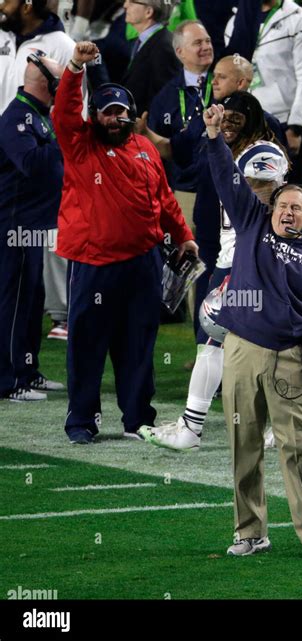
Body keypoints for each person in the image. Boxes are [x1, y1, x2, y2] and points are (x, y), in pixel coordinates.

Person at [201, 102, 302, 559]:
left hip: (291, 360)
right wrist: (214, 137)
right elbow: (227, 178)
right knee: (243, 446)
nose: (286, 213)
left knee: (297, 449)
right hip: (240, 350)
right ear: (271, 207)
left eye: (296, 209)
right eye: (282, 205)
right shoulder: (251, 221)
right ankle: (250, 532)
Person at [52, 41, 197, 444]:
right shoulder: (81, 145)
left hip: (143, 263)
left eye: (121, 112)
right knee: (87, 345)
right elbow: (64, 110)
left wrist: (183, 235)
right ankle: (81, 420)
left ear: (131, 115)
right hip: (94, 264)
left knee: (138, 343)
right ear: (94, 117)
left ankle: (136, 418)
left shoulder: (146, 148)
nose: (115, 119)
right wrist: (76, 69)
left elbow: (165, 199)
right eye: (107, 112)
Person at [139, 92, 289, 451]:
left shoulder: (265, 153)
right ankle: (195, 426)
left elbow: (255, 205)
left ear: (252, 119)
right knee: (217, 339)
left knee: (258, 343)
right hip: (231, 258)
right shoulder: (232, 152)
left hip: (253, 261)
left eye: (236, 120)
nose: (228, 127)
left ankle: (269, 424)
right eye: (225, 120)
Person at [0, 55, 65, 401]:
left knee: (31, 298)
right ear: (46, 84)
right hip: (14, 226)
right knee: (12, 301)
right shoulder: (16, 119)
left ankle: (27, 369)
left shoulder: (39, 115)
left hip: (34, 224)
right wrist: (60, 140)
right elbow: (30, 164)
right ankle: (7, 381)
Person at [224, 0, 302, 173]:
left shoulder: (301, 22)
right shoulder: (236, 20)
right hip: (244, 121)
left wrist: (296, 128)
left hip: (282, 123)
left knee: (279, 192)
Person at [148, 20, 214, 228]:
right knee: (188, 253)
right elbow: (154, 151)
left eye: (208, 41)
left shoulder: (225, 82)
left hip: (225, 187)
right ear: (180, 52)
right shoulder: (165, 97)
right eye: (197, 43)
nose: (206, 47)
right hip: (186, 191)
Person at [121, 0, 181, 116]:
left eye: (132, 2)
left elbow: (164, 98)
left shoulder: (164, 47)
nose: (125, 5)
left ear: (148, 12)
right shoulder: (144, 41)